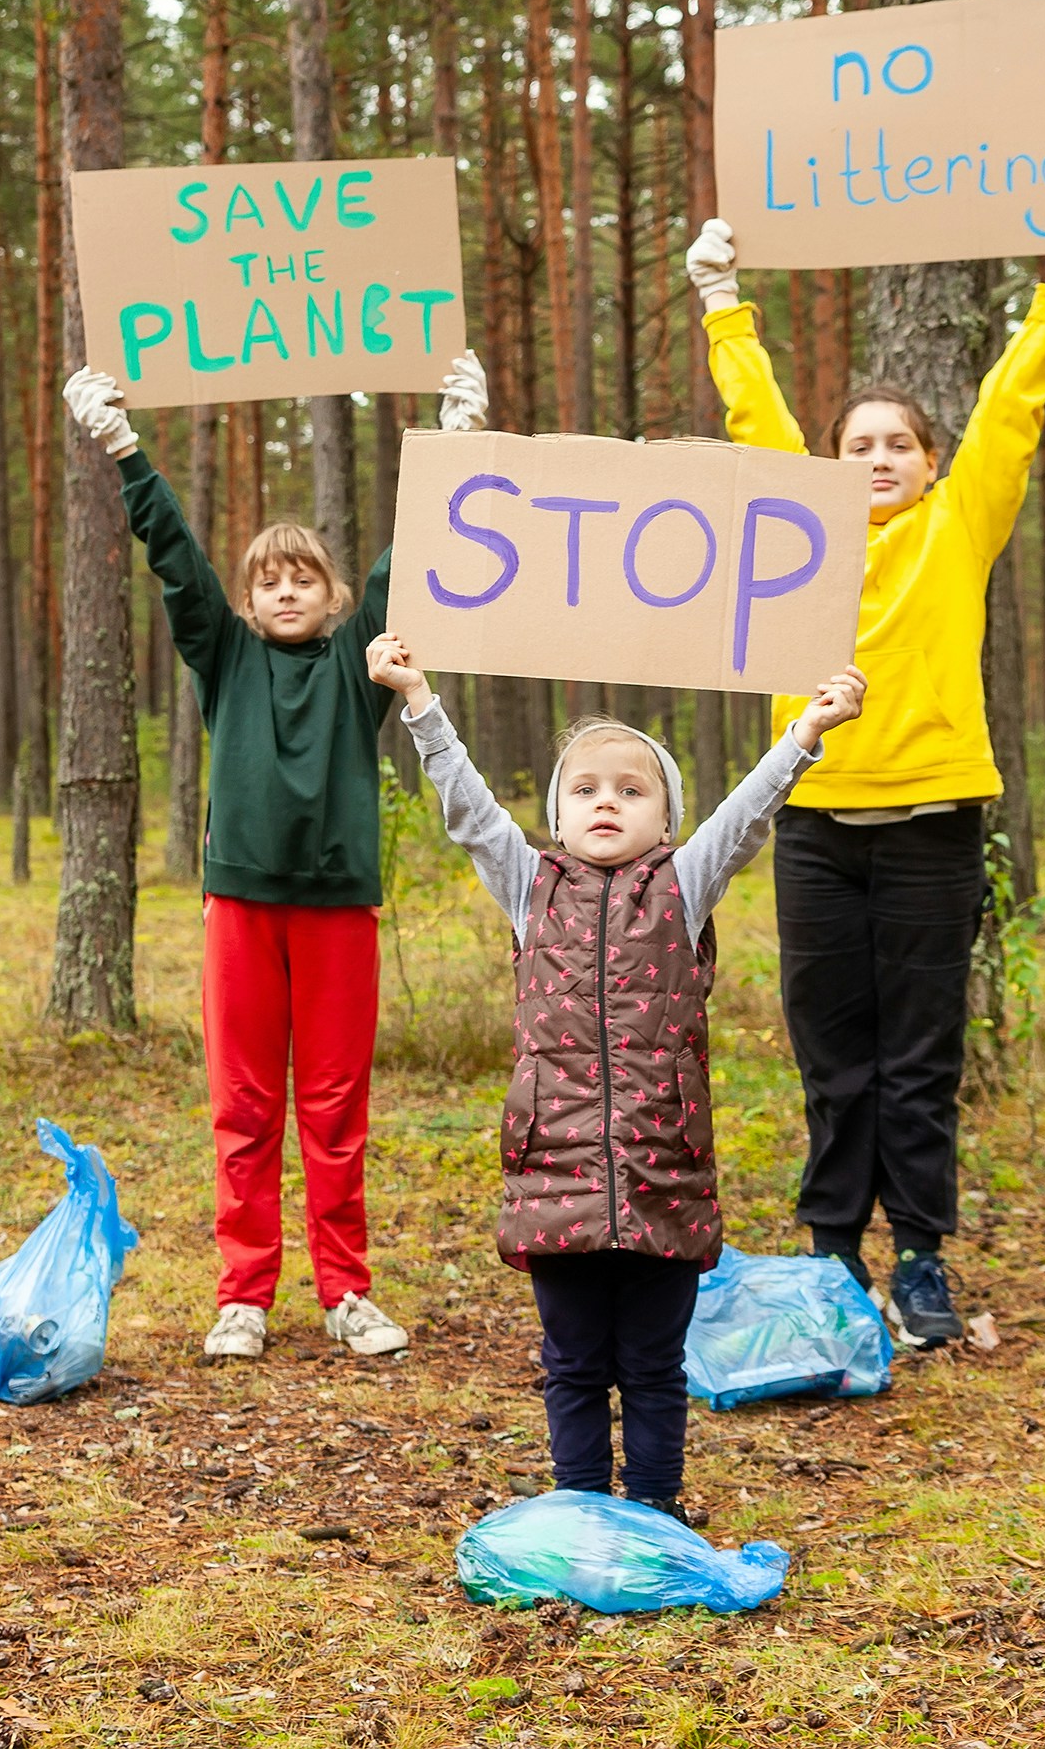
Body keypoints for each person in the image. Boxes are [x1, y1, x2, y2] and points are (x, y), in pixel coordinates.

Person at [680, 204, 1045, 1347]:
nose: (878, 457)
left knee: (921, 1054)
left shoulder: (959, 525)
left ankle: (919, 1261)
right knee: (832, 1053)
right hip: (817, 823)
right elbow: (755, 413)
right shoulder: (798, 526)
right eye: (858, 443)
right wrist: (724, 301)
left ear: (929, 463)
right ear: (831, 463)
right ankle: (831, 1256)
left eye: (898, 444)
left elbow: (1014, 411)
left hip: (931, 827)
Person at [367, 628, 867, 1520]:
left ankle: (656, 1508)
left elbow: (748, 813)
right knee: (571, 1363)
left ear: (665, 820)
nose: (607, 803)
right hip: (552, 1172)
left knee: (651, 1364)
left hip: (663, 1170)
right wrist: (419, 702)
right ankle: (584, 1507)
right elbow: (472, 810)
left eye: (631, 791)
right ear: (556, 817)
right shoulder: (529, 886)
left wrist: (807, 734)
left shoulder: (683, 884)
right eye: (585, 789)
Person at [61, 358, 489, 1363]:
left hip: (339, 909)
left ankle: (345, 1289)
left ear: (334, 594)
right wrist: (124, 448)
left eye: (304, 577)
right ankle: (243, 1294)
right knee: (244, 1106)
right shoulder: (227, 654)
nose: (285, 588)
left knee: (335, 1110)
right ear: (249, 601)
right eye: (268, 578)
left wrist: (455, 441)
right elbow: (176, 558)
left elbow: (407, 560)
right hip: (242, 907)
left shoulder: (358, 666)